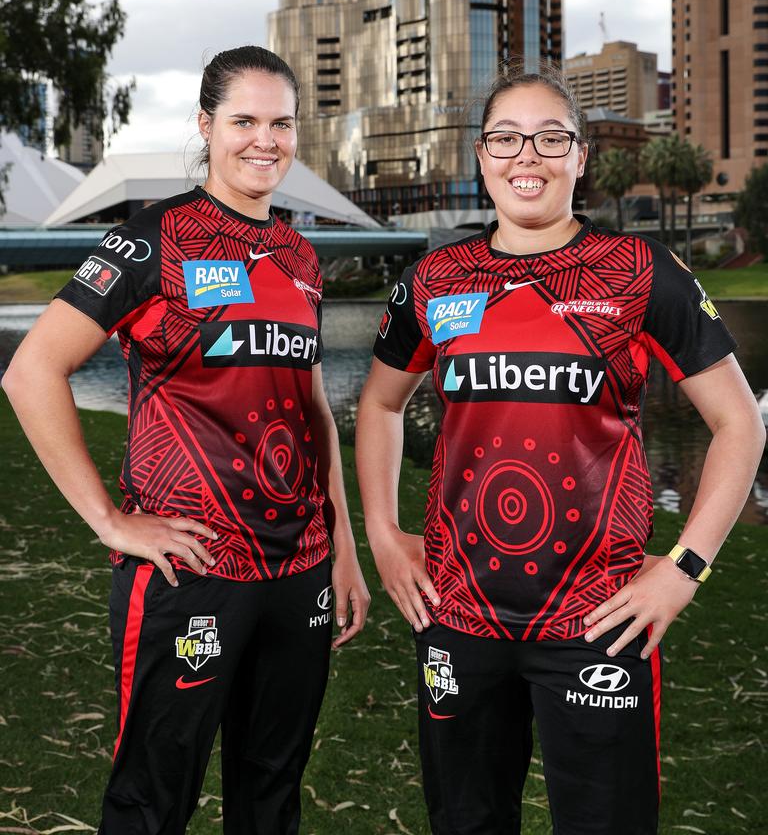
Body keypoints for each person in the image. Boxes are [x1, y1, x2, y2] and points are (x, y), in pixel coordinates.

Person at [355, 62, 765, 835]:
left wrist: (684, 569)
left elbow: (741, 424)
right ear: (481, 157)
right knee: (466, 820)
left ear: (581, 158)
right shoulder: (436, 280)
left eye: (550, 138)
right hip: (458, 613)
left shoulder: (639, 274)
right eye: (506, 138)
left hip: (597, 617)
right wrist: (381, 533)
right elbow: (378, 402)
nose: (527, 157)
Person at [1, 45, 370, 834]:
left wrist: (343, 545)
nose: (264, 140)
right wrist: (109, 520)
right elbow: (31, 372)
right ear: (206, 126)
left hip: (299, 566)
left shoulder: (300, 256)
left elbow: (310, 409)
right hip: (192, 565)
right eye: (243, 121)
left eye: (281, 123)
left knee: (271, 796)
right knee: (151, 799)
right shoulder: (151, 239)